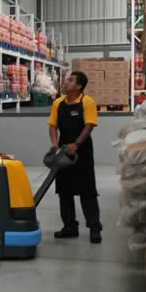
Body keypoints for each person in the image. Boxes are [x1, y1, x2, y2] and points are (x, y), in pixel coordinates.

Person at [48, 70, 102, 244]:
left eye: (70, 80)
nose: (66, 82)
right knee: (64, 190)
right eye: (67, 80)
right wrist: (54, 144)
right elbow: (53, 125)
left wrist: (77, 144)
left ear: (79, 86)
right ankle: (70, 227)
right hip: (63, 150)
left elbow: (89, 125)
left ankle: (94, 227)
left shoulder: (87, 102)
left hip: (82, 150)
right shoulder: (58, 103)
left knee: (87, 190)